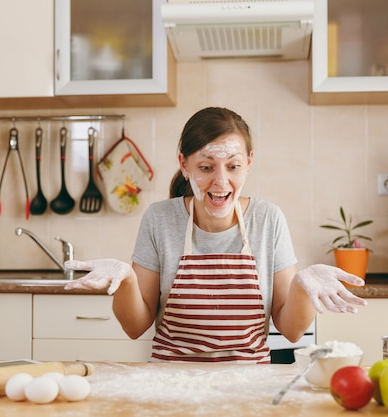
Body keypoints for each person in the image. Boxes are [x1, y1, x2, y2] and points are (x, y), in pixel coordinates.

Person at [64, 107, 366, 363]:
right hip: (169, 384)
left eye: (233, 166)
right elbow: (134, 326)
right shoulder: (160, 219)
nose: (221, 181)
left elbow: (291, 330)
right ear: (184, 165)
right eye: (206, 167)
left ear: (249, 163)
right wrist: (125, 279)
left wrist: (302, 286)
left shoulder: (267, 219)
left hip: (249, 387)